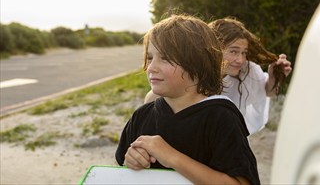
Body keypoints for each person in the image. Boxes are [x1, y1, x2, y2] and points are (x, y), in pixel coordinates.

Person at [115, 14, 260, 184]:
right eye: (149, 58)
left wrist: (171, 157)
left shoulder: (220, 117)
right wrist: (131, 161)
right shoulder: (142, 116)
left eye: (165, 58)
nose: (151, 68)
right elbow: (121, 171)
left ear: (197, 64)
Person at [144, 17, 292, 134]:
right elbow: (152, 105)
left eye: (244, 53)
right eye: (233, 51)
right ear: (214, 49)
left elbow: (266, 92)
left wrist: (274, 77)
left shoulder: (247, 71)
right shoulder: (192, 75)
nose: (240, 59)